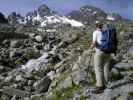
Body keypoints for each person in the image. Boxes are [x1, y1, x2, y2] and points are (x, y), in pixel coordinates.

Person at [90, 21, 112, 93]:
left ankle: (100, 86)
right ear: (102, 26)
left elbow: (94, 43)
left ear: (96, 26)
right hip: (108, 52)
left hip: (99, 52)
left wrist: (91, 47)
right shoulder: (106, 32)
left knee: (98, 68)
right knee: (106, 68)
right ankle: (105, 84)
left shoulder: (95, 32)